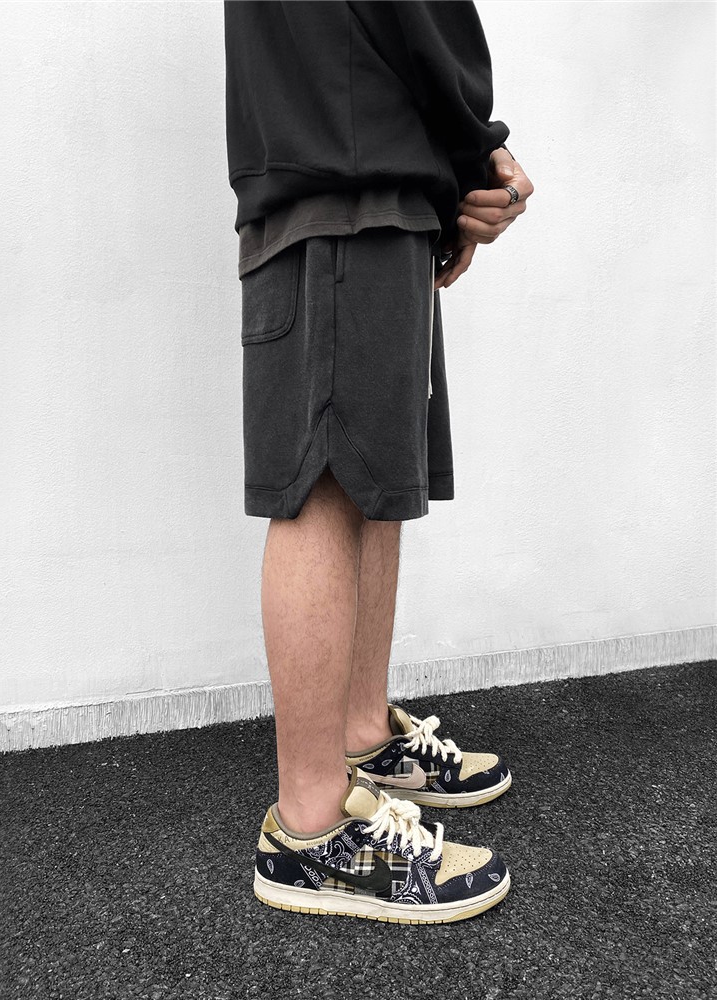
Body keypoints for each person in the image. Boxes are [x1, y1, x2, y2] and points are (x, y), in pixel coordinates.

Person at [223, 0, 534, 924]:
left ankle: (360, 735)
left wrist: (439, 188)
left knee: (371, 481)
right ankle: (310, 830)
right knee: (323, 483)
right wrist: (479, 154)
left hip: (360, 174)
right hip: (343, 180)